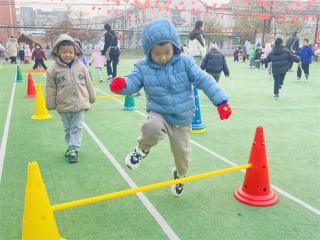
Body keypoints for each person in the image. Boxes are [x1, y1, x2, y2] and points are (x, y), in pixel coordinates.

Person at [109, 19, 232, 197]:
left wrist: (221, 101)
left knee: (182, 155)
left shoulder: (186, 62)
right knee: (151, 126)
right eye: (157, 54)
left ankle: (179, 175)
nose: (163, 57)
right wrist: (122, 85)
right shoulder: (143, 67)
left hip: (182, 119)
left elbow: (204, 79)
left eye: (167, 51)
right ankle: (141, 150)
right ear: (148, 52)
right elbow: (133, 82)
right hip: (160, 112)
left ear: (174, 46)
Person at [46, 34, 96, 163]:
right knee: (68, 129)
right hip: (63, 105)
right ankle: (71, 146)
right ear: (58, 52)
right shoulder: (53, 70)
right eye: (64, 52)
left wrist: (92, 96)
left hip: (80, 103)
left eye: (70, 52)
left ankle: (74, 148)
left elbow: (88, 82)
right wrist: (50, 104)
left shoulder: (81, 66)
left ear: (75, 52)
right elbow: (51, 87)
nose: (68, 54)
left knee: (77, 127)